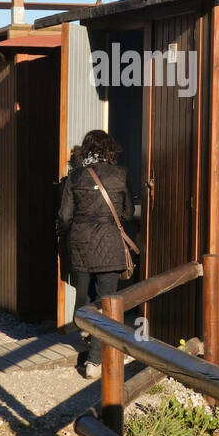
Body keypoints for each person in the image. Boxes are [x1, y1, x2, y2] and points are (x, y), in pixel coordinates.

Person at [56, 130, 136, 379]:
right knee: (107, 300)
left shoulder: (75, 176)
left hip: (80, 243)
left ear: (86, 150)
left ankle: (87, 333)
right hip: (109, 243)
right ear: (110, 150)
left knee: (83, 294)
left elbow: (65, 216)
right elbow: (128, 213)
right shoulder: (120, 174)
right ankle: (94, 361)